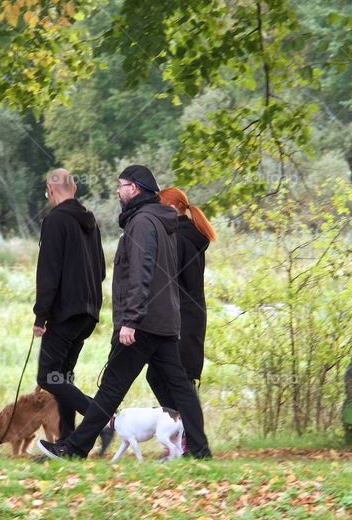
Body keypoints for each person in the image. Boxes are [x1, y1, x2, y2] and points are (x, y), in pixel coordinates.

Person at [36, 164, 212, 460]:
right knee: (180, 387)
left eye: (121, 185)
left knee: (110, 389)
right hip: (165, 321)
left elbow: (141, 273)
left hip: (142, 323)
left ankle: (75, 448)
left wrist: (130, 320)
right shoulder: (162, 220)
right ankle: (199, 449)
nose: (117, 191)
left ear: (134, 188)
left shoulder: (143, 222)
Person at [32, 169, 112, 450]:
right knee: (63, 376)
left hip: (66, 312)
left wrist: (41, 315)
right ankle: (68, 441)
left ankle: (99, 418)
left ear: (51, 190)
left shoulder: (55, 221)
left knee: (47, 376)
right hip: (89, 313)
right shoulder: (91, 223)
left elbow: (49, 273)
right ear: (74, 188)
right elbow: (101, 270)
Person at [145, 187, 215, 454]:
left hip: (182, 316)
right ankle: (183, 435)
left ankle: (190, 441)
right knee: (162, 375)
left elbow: (167, 278)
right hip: (189, 314)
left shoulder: (178, 238)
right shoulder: (188, 235)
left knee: (179, 380)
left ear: (172, 209)